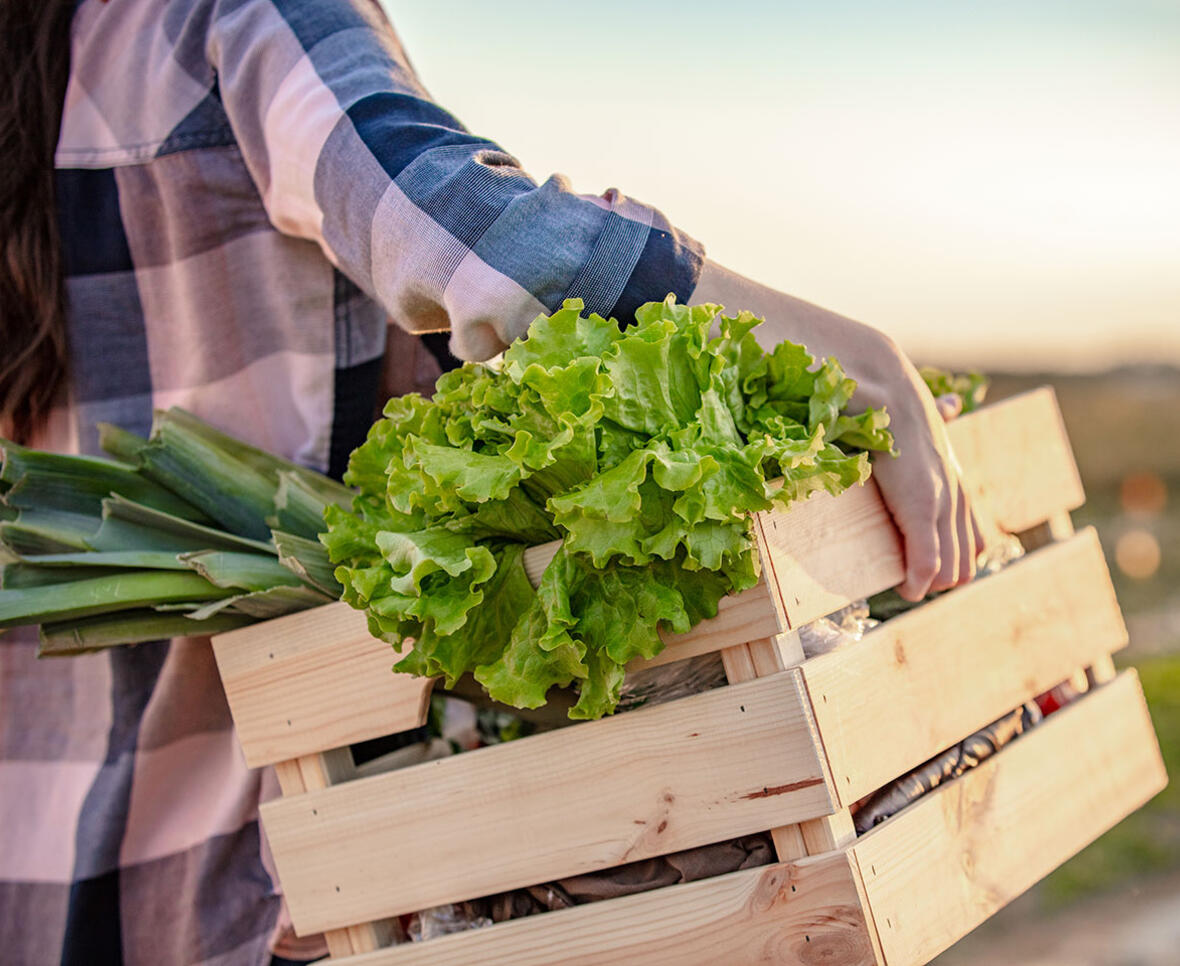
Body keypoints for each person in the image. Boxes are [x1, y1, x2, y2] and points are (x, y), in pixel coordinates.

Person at [0, 1, 978, 963]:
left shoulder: (52, 68)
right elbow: (475, 232)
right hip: (269, 889)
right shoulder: (221, 21)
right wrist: (860, 362)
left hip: (41, 884)